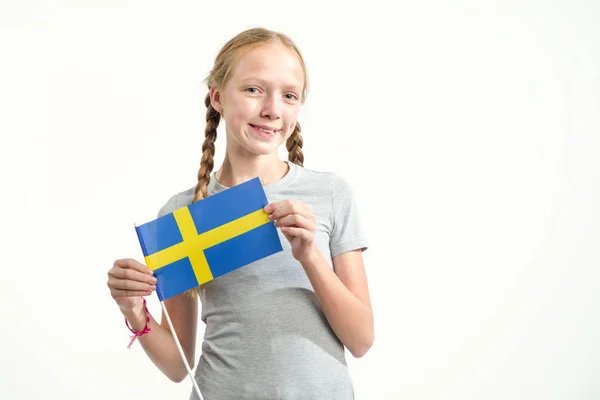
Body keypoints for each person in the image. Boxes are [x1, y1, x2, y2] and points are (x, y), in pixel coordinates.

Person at [107, 27, 373, 400]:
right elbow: (176, 365)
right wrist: (135, 310)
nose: (272, 110)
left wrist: (310, 256)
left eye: (289, 95)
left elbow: (361, 340)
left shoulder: (329, 194)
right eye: (253, 89)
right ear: (217, 97)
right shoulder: (184, 213)